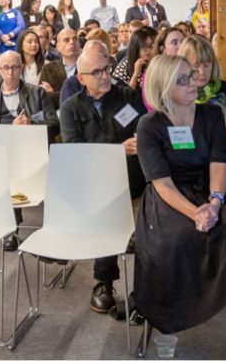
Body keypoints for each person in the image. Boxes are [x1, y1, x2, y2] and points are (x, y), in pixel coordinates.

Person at [131, 55, 226, 358]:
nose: (194, 81)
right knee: (177, 238)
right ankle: (174, 314)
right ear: (164, 87)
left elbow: (219, 162)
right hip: (170, 198)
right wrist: (196, 213)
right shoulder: (149, 125)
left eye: (192, 74)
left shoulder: (211, 115)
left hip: (208, 190)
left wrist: (214, 203)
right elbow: (161, 183)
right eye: (183, 79)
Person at [59, 41, 147, 320]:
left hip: (131, 175)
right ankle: (104, 281)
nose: (105, 76)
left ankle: (139, 285)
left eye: (106, 69)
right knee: (107, 196)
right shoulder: (72, 107)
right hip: (91, 178)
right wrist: (116, 150)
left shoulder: (127, 97)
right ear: (80, 78)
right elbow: (74, 152)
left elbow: (143, 128)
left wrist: (139, 141)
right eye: (96, 72)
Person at [0, 50, 55, 145]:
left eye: (15, 67)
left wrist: (31, 124)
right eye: (6, 67)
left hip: (31, 147)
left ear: (21, 68)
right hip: (1, 150)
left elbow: (55, 125)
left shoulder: (38, 93)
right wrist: (9, 130)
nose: (10, 72)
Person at [181, 35, 226, 146]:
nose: (202, 71)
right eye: (196, 66)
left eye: (207, 65)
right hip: (190, 160)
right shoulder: (179, 96)